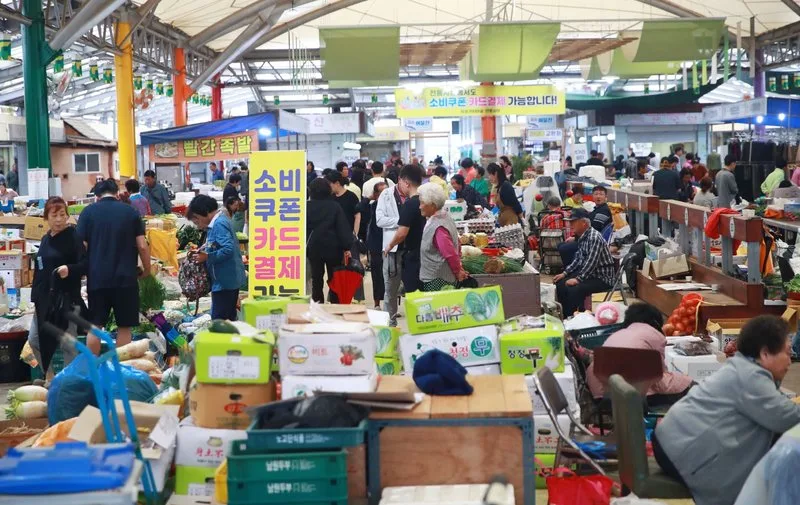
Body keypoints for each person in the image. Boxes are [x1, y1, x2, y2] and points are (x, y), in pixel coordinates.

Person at [653, 315, 800, 505]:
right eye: (787, 353)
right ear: (765, 354)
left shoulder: (741, 366)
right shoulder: (750, 377)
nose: (790, 361)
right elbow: (786, 417)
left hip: (671, 440)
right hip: (680, 453)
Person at [77, 179, 150, 353]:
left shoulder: (88, 212)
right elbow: (142, 245)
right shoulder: (131, 212)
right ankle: (120, 366)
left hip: (97, 278)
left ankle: (93, 366)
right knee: (124, 327)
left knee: (95, 326)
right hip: (126, 278)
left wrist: (80, 271)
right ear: (117, 193)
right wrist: (147, 269)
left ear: (97, 196)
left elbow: (81, 246)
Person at [586, 302, 694, 407]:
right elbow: (660, 378)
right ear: (655, 323)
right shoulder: (654, 334)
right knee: (686, 386)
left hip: (600, 394)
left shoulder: (617, 334)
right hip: (630, 394)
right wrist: (685, 381)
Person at [31, 197, 88, 374]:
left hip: (66, 300)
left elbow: (86, 264)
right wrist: (35, 296)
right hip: (44, 301)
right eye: (54, 215)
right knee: (35, 340)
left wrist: (69, 269)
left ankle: (68, 383)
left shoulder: (74, 237)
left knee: (68, 345)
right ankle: (50, 376)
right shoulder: (45, 239)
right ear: (46, 217)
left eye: (62, 215)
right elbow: (40, 268)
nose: (59, 219)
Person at [186, 195, 245, 320]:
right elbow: (216, 244)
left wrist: (207, 257)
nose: (198, 226)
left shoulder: (219, 224)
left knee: (219, 320)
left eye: (197, 220)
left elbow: (228, 249)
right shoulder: (218, 222)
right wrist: (203, 250)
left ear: (206, 212)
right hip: (225, 280)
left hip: (225, 281)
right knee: (228, 319)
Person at [552, 209, 615, 316]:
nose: (570, 225)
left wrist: (578, 279)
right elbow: (578, 259)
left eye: (573, 222)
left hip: (602, 278)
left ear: (584, 223)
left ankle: (576, 316)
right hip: (591, 274)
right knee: (560, 283)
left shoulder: (594, 238)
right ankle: (565, 315)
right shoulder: (583, 236)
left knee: (574, 289)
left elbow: (591, 263)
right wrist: (565, 273)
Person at [306, 179, 353, 304]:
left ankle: (317, 304)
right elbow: (342, 228)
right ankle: (334, 304)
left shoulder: (306, 207)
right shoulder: (334, 206)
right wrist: (347, 247)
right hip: (334, 248)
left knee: (316, 279)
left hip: (313, 248)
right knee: (334, 278)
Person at [416, 183, 468, 291]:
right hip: (441, 277)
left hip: (438, 279)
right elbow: (457, 243)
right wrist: (459, 266)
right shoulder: (445, 217)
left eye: (422, 203)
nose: (420, 206)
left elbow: (449, 253)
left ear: (433, 205)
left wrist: (458, 271)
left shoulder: (438, 226)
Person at [384, 164, 426, 297]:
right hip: (426, 254)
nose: (399, 185)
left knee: (414, 296)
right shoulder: (426, 200)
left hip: (414, 256)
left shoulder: (409, 204)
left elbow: (402, 233)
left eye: (400, 181)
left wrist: (390, 245)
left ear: (406, 182)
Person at [365, 180, 389, 308]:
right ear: (376, 194)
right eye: (382, 192)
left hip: (390, 243)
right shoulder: (372, 206)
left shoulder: (393, 206)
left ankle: (390, 304)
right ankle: (377, 302)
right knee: (376, 274)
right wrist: (370, 198)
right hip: (375, 244)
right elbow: (359, 207)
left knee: (391, 274)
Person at [326, 171, 361, 239]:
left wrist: (355, 233)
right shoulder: (330, 197)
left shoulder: (351, 196)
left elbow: (357, 215)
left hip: (347, 234)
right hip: (333, 235)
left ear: (337, 183)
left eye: (329, 184)